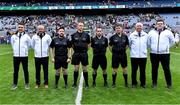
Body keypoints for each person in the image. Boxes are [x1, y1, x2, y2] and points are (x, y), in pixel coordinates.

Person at [148, 19, 175, 89]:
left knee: (166, 69)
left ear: (163, 24)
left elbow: (173, 41)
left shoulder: (168, 32)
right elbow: (148, 42)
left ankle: (169, 84)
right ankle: (154, 83)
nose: (160, 25)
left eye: (161, 23)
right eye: (158, 23)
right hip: (154, 54)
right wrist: (152, 48)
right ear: (156, 24)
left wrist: (166, 47)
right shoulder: (151, 32)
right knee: (154, 69)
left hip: (165, 54)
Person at [10, 22, 31, 90]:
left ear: (24, 28)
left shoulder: (27, 36)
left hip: (24, 56)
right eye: (19, 27)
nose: (20, 28)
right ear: (17, 28)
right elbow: (12, 45)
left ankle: (27, 84)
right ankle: (15, 84)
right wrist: (16, 51)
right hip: (16, 56)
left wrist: (24, 51)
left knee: (25, 70)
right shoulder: (13, 36)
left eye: (21, 27)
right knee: (15, 71)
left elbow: (29, 45)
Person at [70, 22, 90, 88]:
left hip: (84, 53)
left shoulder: (87, 35)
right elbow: (72, 45)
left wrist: (86, 50)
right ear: (77, 27)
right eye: (79, 25)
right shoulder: (73, 35)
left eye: (82, 26)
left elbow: (89, 44)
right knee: (76, 68)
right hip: (76, 53)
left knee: (85, 69)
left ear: (83, 27)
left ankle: (86, 83)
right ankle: (75, 83)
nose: (80, 27)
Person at [129, 22, 148, 88]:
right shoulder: (132, 35)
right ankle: (134, 83)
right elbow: (129, 44)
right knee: (134, 70)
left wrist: (144, 51)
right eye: (137, 26)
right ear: (135, 27)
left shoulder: (146, 35)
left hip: (143, 56)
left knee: (142, 70)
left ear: (142, 27)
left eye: (140, 26)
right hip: (134, 56)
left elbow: (147, 44)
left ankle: (143, 83)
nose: (139, 27)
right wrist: (134, 51)